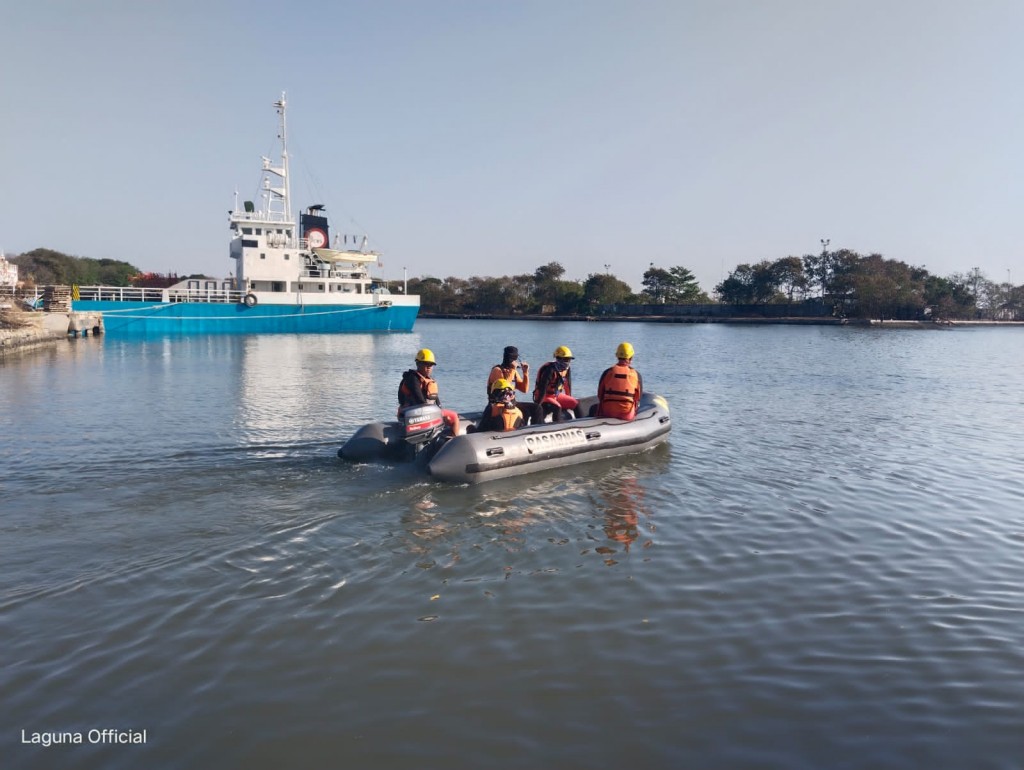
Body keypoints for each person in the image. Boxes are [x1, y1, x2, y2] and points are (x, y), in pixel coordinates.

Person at [397, 348, 461, 436]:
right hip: (413, 414)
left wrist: (439, 410)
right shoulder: (412, 379)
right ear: (418, 364)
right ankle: (453, 444)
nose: (429, 367)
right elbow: (419, 400)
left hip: (424, 413)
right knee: (454, 416)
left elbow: (436, 400)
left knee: (448, 416)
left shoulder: (428, 380)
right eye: (426, 364)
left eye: (431, 364)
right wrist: (437, 413)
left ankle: (446, 439)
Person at [595, 341, 643, 420]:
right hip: (626, 414)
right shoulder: (636, 375)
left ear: (617, 356)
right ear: (631, 357)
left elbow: (600, 395)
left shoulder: (607, 372)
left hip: (608, 412)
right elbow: (638, 398)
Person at [532, 345, 579, 423]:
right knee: (557, 407)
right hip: (544, 396)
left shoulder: (567, 369)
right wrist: (538, 406)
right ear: (558, 358)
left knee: (575, 403)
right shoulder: (549, 370)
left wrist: (568, 398)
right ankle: (556, 427)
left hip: (556, 395)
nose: (567, 362)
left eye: (569, 360)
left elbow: (567, 386)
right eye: (566, 359)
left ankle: (580, 424)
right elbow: (542, 388)